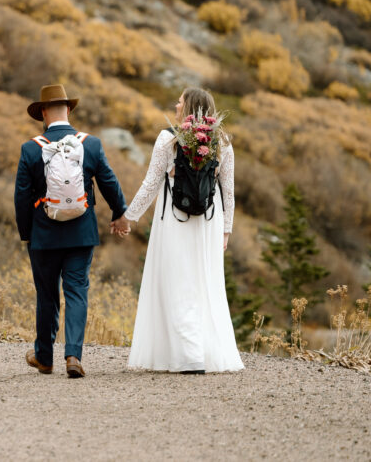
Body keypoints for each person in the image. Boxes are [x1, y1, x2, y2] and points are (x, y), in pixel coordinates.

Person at [123, 87, 244, 373]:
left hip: (175, 220)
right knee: (203, 283)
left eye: (179, 102)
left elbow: (151, 184)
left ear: (188, 107)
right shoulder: (223, 143)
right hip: (208, 224)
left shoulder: (169, 139)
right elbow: (229, 192)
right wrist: (225, 230)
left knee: (177, 283)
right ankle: (201, 351)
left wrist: (128, 216)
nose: (176, 106)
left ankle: (189, 356)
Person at [15, 84, 130, 378]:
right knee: (77, 292)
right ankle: (73, 357)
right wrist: (119, 214)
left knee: (47, 295)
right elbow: (108, 182)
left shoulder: (30, 148)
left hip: (43, 234)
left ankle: (44, 357)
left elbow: (22, 197)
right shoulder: (90, 144)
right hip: (81, 233)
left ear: (42, 112)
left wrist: (27, 234)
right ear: (68, 109)